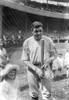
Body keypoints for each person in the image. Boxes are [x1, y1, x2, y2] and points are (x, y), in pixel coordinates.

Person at [21, 21, 57, 100]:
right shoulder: (27, 42)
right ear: (32, 31)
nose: (38, 33)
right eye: (36, 31)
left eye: (40, 31)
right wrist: (36, 69)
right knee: (34, 93)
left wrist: (47, 62)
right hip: (32, 68)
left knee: (47, 94)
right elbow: (25, 59)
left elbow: (54, 55)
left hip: (45, 67)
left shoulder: (48, 40)